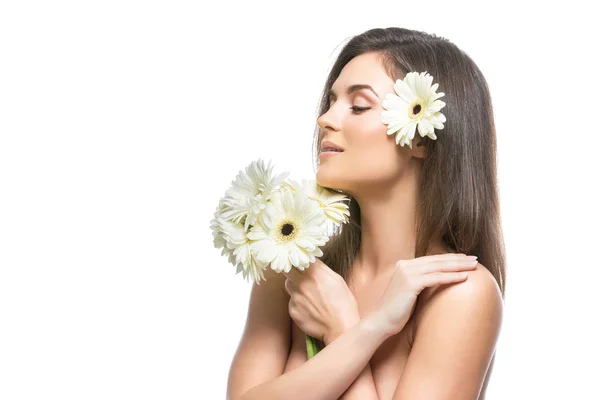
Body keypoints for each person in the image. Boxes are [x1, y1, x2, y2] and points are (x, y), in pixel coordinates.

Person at [226, 27, 506, 400]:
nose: (325, 119)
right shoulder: (292, 269)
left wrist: (343, 328)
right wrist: (369, 332)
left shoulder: (458, 293)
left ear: (421, 137)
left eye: (358, 106)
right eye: (331, 102)